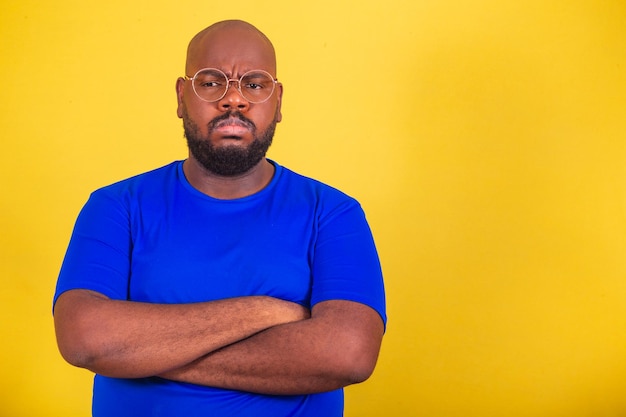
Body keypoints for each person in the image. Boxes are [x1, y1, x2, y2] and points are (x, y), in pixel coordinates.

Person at [53, 19, 386, 417]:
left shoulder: (332, 213)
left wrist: (141, 352)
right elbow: (84, 338)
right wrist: (267, 311)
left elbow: (347, 354)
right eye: (211, 83)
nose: (234, 100)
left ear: (277, 102)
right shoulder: (116, 206)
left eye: (255, 84)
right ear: (181, 97)